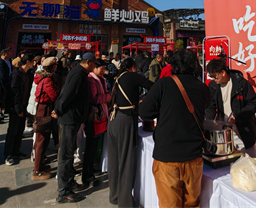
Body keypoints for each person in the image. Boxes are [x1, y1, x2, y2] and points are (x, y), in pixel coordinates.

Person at [139, 49, 210, 208]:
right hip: (194, 156)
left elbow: (144, 112)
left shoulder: (163, 84)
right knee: (193, 204)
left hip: (167, 156)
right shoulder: (202, 87)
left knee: (169, 204)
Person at [107, 58, 153, 208]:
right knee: (126, 161)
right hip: (125, 121)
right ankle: (126, 203)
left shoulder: (118, 77)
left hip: (113, 119)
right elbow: (151, 86)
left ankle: (114, 196)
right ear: (133, 67)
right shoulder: (132, 75)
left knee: (114, 161)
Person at [53, 52, 95, 203]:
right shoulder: (78, 74)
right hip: (69, 119)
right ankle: (63, 191)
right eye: (94, 64)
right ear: (88, 62)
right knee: (66, 155)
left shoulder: (80, 73)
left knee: (69, 153)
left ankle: (69, 182)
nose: (94, 67)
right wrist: (58, 109)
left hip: (74, 118)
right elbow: (67, 94)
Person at [205, 58, 256, 157]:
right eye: (211, 76)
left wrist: (238, 115)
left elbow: (253, 104)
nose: (213, 79)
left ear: (223, 72)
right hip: (223, 133)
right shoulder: (213, 86)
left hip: (243, 131)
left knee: (252, 161)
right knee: (229, 163)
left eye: (214, 76)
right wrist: (209, 122)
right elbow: (210, 106)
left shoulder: (242, 84)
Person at [82, 58, 111, 189]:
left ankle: (91, 169)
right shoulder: (91, 79)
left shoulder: (101, 79)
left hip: (101, 115)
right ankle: (87, 175)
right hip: (93, 117)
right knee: (90, 146)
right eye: (101, 69)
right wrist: (107, 97)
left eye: (104, 69)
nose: (103, 71)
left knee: (94, 145)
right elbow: (93, 98)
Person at [30, 56, 60, 181]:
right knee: (41, 141)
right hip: (44, 110)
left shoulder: (42, 77)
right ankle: (37, 170)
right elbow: (53, 95)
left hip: (43, 109)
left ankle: (41, 165)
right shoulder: (47, 80)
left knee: (44, 139)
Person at [4, 54, 34, 165]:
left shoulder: (28, 74)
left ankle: (16, 151)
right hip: (16, 107)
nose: (34, 63)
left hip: (24, 106)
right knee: (13, 131)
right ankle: (8, 154)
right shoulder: (16, 74)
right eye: (32, 61)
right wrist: (18, 108)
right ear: (28, 62)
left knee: (20, 130)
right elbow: (14, 93)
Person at [0, 48, 13, 122]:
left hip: (8, 82)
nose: (10, 54)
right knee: (1, 98)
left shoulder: (9, 60)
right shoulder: (1, 62)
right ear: (4, 54)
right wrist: (8, 80)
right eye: (9, 53)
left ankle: (5, 110)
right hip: (3, 83)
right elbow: (3, 74)